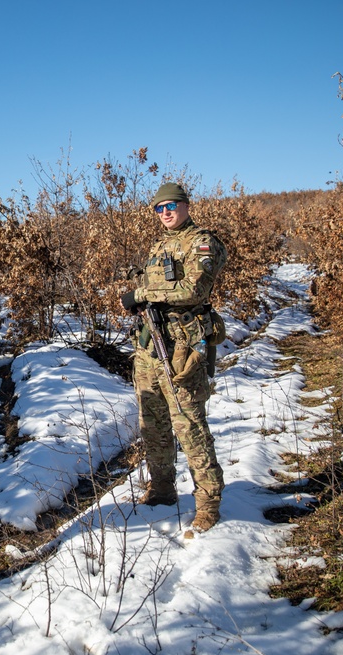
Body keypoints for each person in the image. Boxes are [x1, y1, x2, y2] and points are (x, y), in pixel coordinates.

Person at [121, 182, 227, 533]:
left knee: (189, 424)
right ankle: (162, 488)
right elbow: (157, 293)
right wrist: (141, 300)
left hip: (182, 347)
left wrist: (141, 292)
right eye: (158, 208)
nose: (165, 212)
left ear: (185, 205)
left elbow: (195, 289)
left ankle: (208, 501)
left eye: (171, 205)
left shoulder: (203, 242)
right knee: (153, 422)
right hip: (151, 344)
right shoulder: (160, 245)